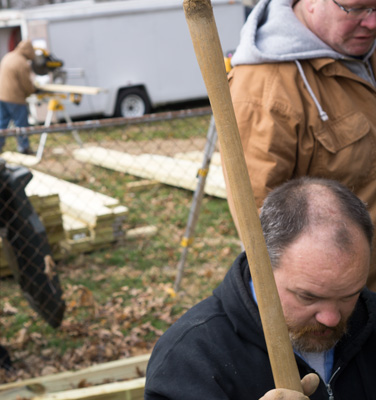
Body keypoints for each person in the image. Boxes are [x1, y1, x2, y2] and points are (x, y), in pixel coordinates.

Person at [145, 177, 376, 399]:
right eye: (308, 296)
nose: (331, 319)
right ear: (261, 266)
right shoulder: (190, 358)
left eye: (349, 295)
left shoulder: (371, 318)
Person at [227, 0, 376, 291]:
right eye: (356, 8)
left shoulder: (362, 49)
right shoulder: (264, 91)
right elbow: (265, 235)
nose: (372, 23)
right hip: (348, 304)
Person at [0, 39, 37, 155]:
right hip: (14, 97)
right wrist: (32, 90)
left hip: (1, 95)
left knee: (2, 122)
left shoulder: (8, 56)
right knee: (21, 123)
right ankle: (24, 147)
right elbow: (26, 83)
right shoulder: (21, 62)